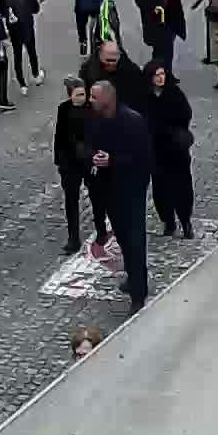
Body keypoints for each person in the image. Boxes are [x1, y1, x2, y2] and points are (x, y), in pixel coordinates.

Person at [85, 80, 153, 312]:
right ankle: (133, 278)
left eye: (94, 97)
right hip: (109, 189)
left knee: (135, 240)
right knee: (123, 237)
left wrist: (112, 161)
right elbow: (88, 144)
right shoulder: (96, 120)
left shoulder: (132, 121)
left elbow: (143, 158)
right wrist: (93, 157)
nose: (90, 101)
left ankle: (138, 293)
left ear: (107, 99)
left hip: (131, 190)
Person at [53, 76, 109, 255]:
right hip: (70, 163)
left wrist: (97, 159)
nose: (81, 98)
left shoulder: (93, 109)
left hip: (89, 161)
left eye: (83, 94)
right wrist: (60, 162)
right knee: (71, 201)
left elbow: (100, 135)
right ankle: (73, 238)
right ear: (70, 95)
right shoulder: (63, 109)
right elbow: (60, 136)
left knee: (97, 197)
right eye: (77, 95)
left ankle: (101, 231)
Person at [143, 62, 195, 239]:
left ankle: (185, 221)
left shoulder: (174, 93)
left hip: (176, 149)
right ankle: (168, 221)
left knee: (182, 185)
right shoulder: (145, 96)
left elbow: (185, 114)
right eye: (156, 75)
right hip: (156, 150)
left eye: (162, 74)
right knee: (160, 187)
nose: (160, 78)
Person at [135, 0, 187, 75]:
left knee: (168, 51)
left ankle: (166, 73)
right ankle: (159, 74)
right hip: (155, 23)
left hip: (169, 22)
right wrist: (153, 8)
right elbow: (139, 0)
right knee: (160, 51)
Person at [0, 0, 43, 90]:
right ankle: (36, 75)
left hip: (13, 29)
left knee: (17, 55)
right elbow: (36, 9)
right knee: (31, 51)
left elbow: (2, 13)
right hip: (27, 27)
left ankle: (22, 84)